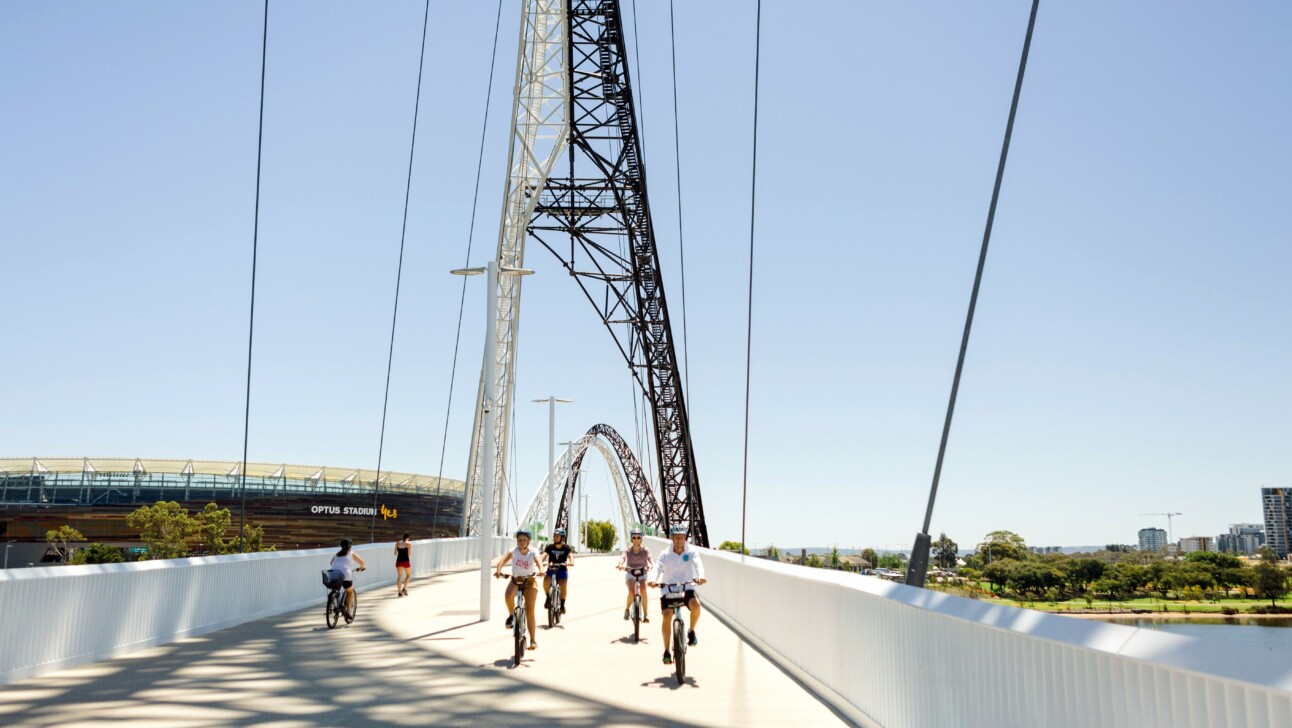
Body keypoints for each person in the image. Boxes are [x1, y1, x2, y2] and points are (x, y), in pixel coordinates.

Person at [648, 524, 706, 665]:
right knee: (667, 615)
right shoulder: (665, 554)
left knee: (696, 606)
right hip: (669, 588)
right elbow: (657, 567)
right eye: (677, 538)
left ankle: (691, 631)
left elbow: (698, 564)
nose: (680, 541)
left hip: (687, 586)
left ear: (685, 538)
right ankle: (667, 651)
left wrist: (701, 576)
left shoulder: (691, 551)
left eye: (682, 538)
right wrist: (652, 580)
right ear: (672, 539)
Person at [494, 528, 543, 650]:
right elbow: (502, 560)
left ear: (528, 541)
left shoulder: (533, 552)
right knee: (508, 595)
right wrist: (498, 570)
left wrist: (541, 570)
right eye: (519, 540)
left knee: (530, 610)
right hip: (516, 579)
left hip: (529, 581)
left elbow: (538, 561)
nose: (521, 542)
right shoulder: (513, 551)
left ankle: (532, 640)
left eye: (524, 540)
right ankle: (511, 615)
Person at [616, 528, 653, 622]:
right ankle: (627, 609)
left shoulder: (645, 549)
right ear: (631, 539)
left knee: (643, 590)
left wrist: (652, 564)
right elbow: (623, 557)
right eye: (634, 537)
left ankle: (645, 614)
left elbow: (650, 557)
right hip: (630, 573)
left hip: (642, 573)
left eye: (638, 537)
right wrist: (620, 564)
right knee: (632, 592)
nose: (636, 539)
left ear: (641, 539)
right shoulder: (627, 550)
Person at [330, 538, 366, 623]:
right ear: (350, 546)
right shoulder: (351, 553)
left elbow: (331, 563)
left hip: (333, 574)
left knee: (335, 589)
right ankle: (349, 611)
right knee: (349, 592)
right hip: (345, 575)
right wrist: (362, 568)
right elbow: (362, 563)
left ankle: (332, 601)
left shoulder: (336, 554)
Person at [542, 528, 574, 614]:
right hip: (551, 569)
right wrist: (540, 562)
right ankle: (548, 598)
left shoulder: (566, 548)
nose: (555, 537)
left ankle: (562, 605)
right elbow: (544, 555)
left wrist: (571, 562)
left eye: (557, 536)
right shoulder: (550, 547)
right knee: (546, 581)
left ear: (562, 538)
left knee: (563, 583)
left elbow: (570, 555)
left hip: (562, 570)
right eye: (554, 536)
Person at [394, 532, 412, 597]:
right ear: (408, 538)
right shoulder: (408, 544)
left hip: (399, 561)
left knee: (399, 576)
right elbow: (409, 554)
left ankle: (399, 592)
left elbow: (395, 553)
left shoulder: (397, 543)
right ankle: (404, 588)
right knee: (408, 575)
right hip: (406, 561)